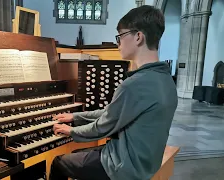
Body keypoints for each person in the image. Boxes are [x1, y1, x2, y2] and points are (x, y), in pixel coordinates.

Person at [50, 5, 178, 180]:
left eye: (120, 37)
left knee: (60, 162)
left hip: (125, 167)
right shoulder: (165, 79)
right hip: (146, 161)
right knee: (79, 154)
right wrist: (75, 118)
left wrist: (70, 131)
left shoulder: (134, 84)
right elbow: (113, 114)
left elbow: (102, 127)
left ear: (138, 37)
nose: (118, 43)